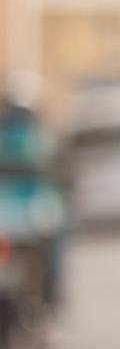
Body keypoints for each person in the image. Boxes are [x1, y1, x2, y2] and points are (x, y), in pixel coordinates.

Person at [0, 70, 66, 311]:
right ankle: (51, 294)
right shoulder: (36, 137)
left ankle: (49, 293)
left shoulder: (37, 137)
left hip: (28, 212)